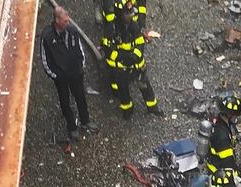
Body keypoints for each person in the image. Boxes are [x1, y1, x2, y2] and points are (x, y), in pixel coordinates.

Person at [40, 6, 96, 142]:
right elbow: (45, 60)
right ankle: (72, 127)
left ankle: (85, 121)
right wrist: (56, 76)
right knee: (65, 102)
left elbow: (80, 51)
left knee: (81, 98)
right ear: (57, 20)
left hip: (76, 74)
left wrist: (80, 67)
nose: (68, 23)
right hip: (61, 79)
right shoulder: (47, 37)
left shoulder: (72, 31)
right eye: (65, 21)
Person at [106, 0, 162, 116]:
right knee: (124, 93)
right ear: (120, 14)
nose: (131, 15)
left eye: (131, 12)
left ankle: (153, 108)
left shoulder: (134, 26)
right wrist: (124, 58)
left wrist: (132, 57)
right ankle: (127, 111)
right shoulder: (112, 29)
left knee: (146, 87)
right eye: (127, 13)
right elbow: (109, 51)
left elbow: (140, 46)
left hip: (136, 66)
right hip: (121, 69)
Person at [207, 95, 241, 179]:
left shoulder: (222, 123)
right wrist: (236, 175)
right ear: (229, 114)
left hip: (215, 164)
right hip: (217, 172)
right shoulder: (222, 135)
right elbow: (227, 161)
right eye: (235, 115)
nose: (236, 117)